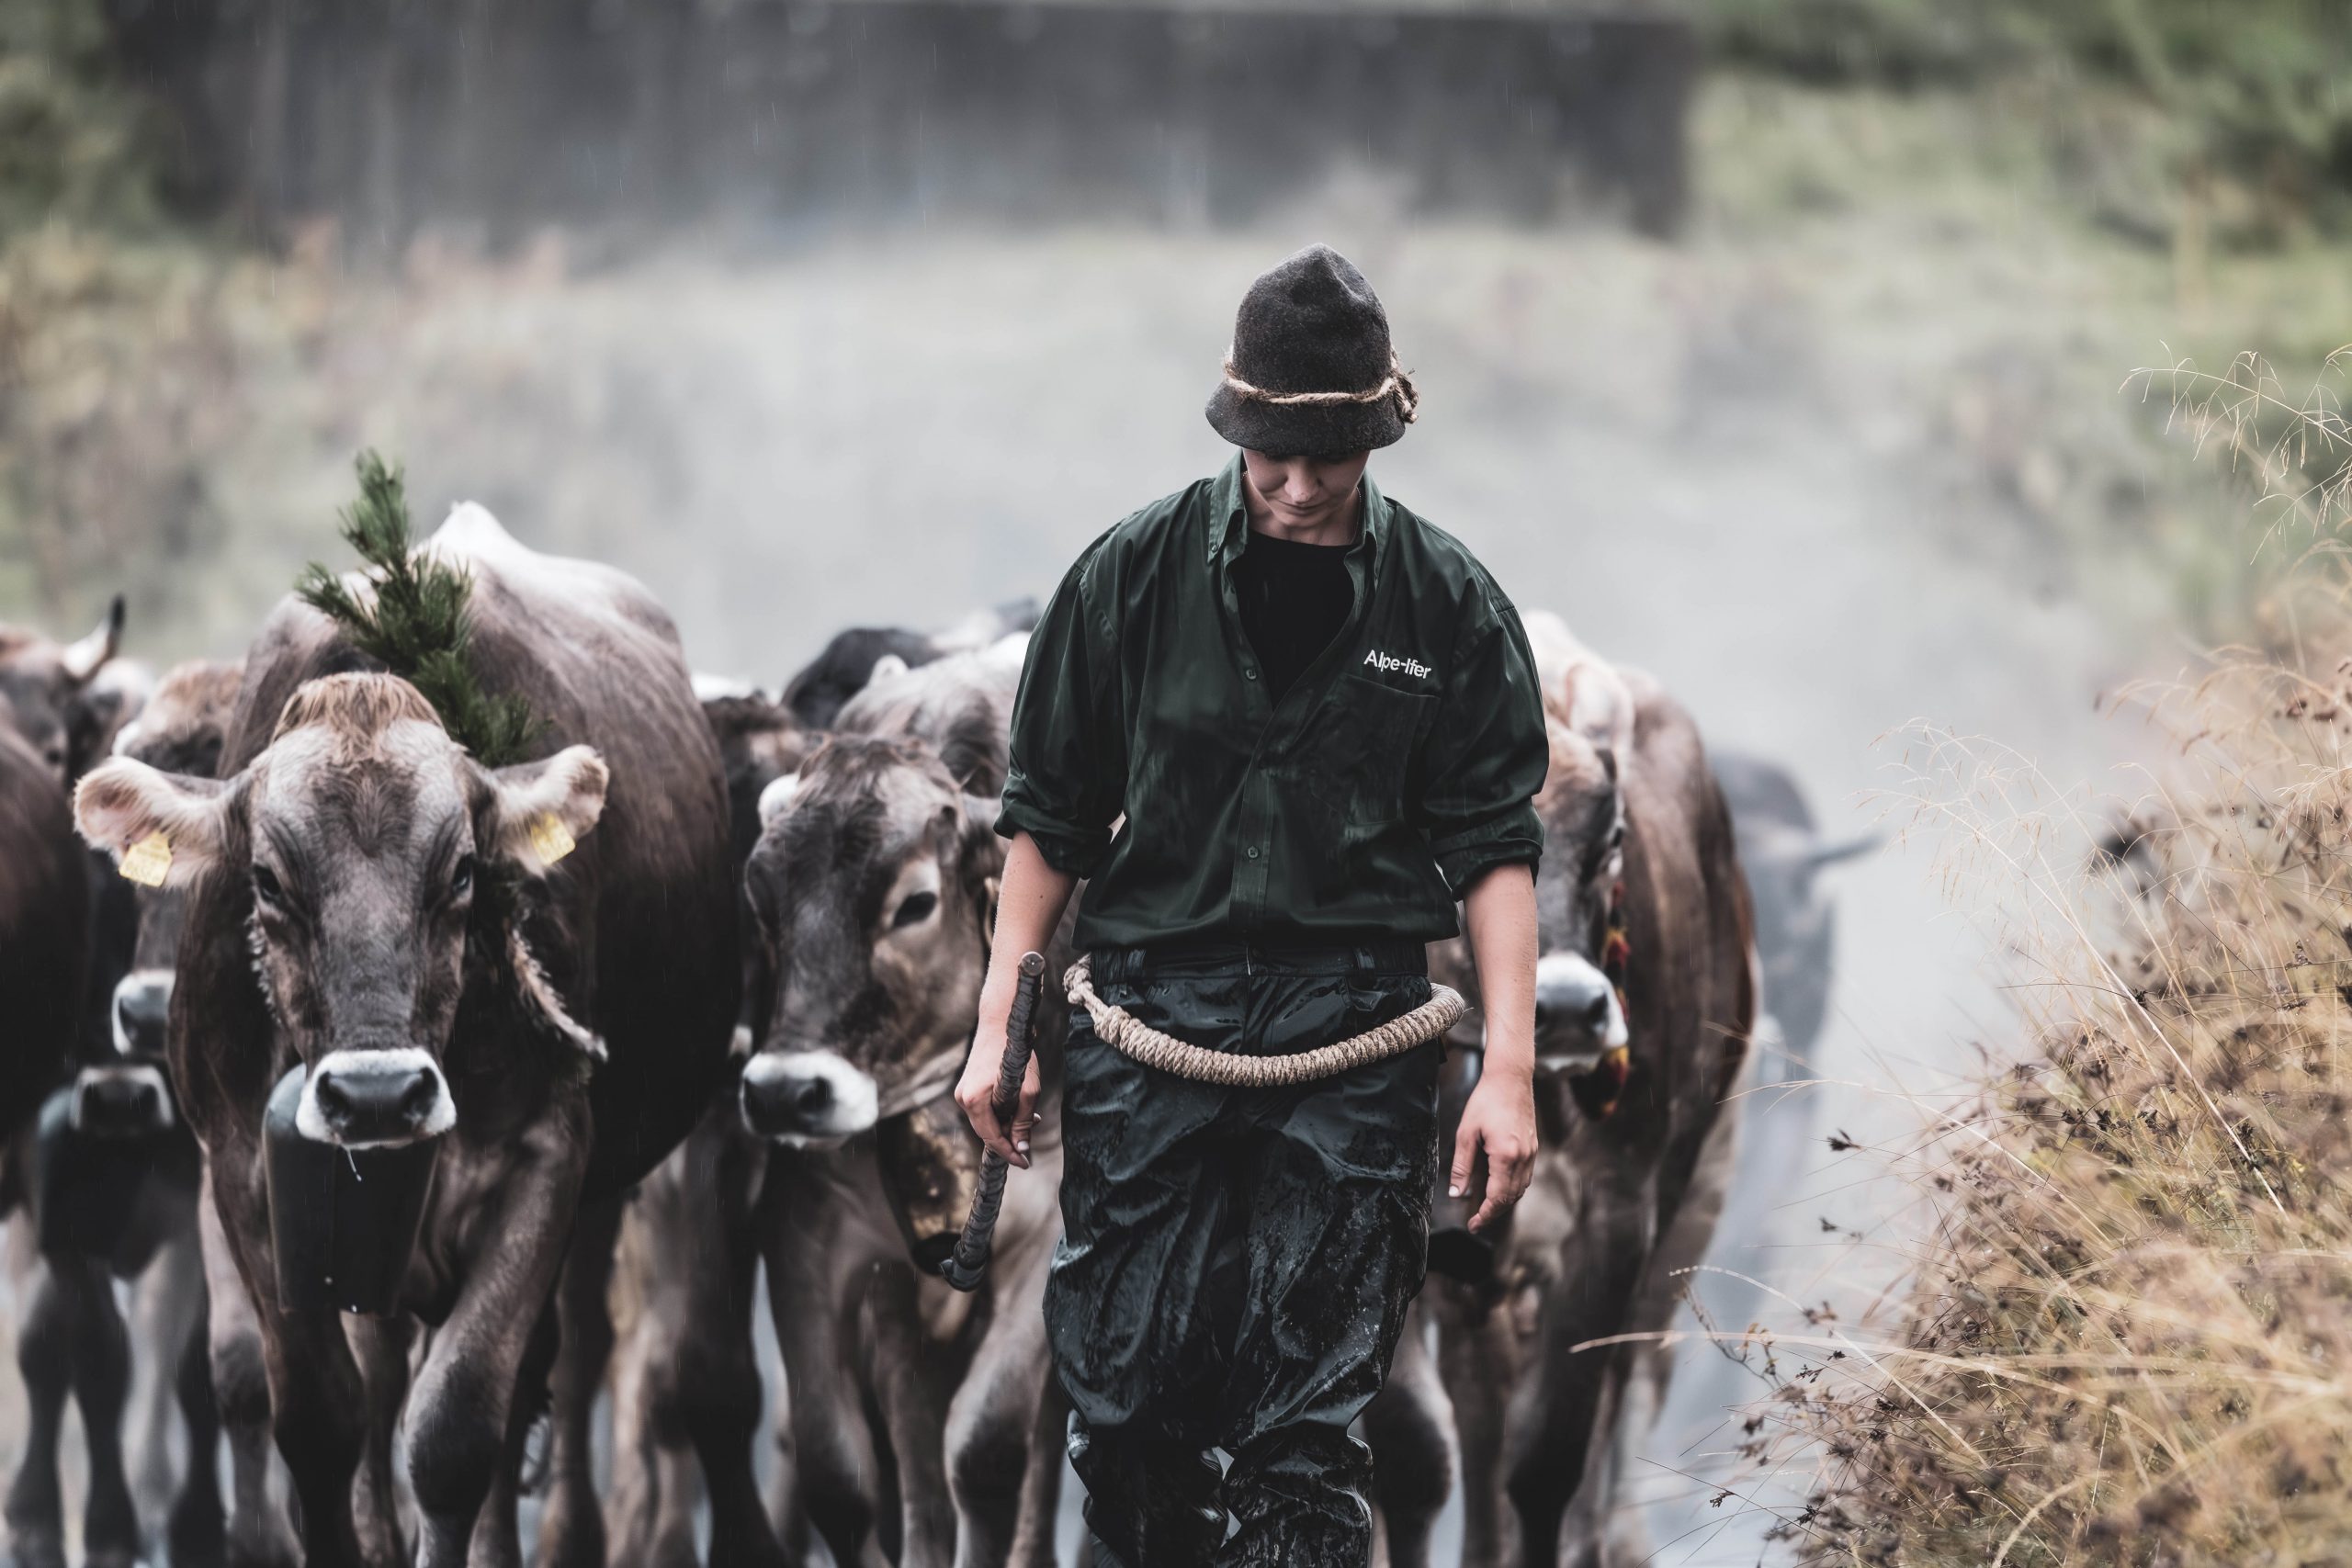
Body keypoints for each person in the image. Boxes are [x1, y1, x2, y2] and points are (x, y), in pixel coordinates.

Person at [958, 243, 1548, 1566]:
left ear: (1376, 434)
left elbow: (1494, 850)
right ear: (1235, 427)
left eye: (1324, 459)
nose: (1293, 486)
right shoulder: (1128, 576)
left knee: (1304, 1439)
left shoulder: (1449, 603)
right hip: (1149, 1024)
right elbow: (1051, 816)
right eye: (1269, 455)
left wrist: (1507, 1071)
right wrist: (1002, 1017)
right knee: (1123, 1421)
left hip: (1359, 1037)